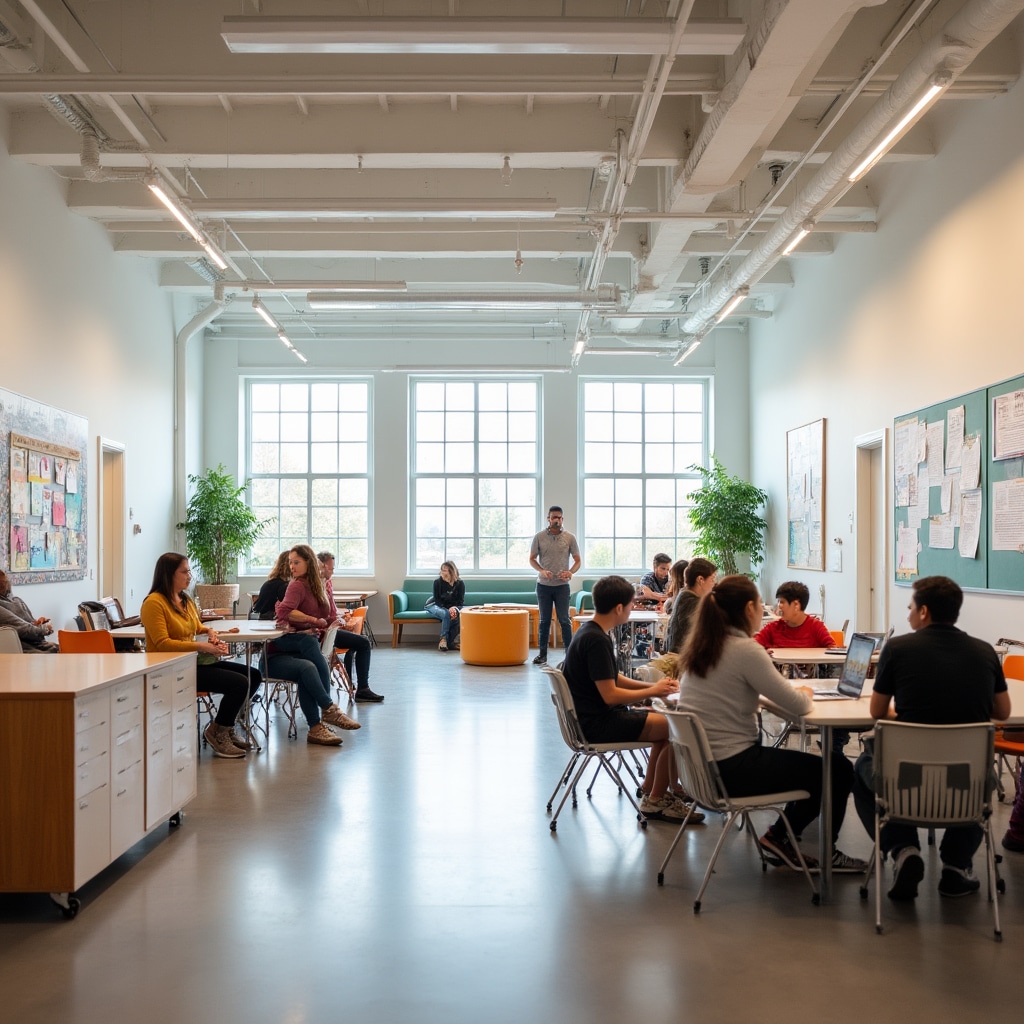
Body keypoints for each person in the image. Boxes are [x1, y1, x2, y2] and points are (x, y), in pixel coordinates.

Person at [677, 574, 865, 872]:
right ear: (750, 608)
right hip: (733, 769)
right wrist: (803, 690)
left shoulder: (703, 647)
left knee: (818, 768)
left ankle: (780, 837)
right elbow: (799, 704)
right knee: (838, 769)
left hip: (704, 769)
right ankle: (818, 850)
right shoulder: (745, 650)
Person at [852, 576, 1010, 900]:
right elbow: (1003, 712)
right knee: (982, 778)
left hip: (906, 776)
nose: (907, 613)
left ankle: (903, 849)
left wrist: (911, 721)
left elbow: (878, 710)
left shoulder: (897, 649)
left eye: (909, 607)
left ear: (923, 611)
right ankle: (955, 865)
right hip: (964, 780)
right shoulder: (984, 651)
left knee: (862, 768)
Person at [562, 575, 703, 824]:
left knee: (665, 725)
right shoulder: (596, 640)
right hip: (597, 724)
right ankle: (656, 800)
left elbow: (612, 678)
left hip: (591, 719)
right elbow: (610, 694)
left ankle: (650, 789)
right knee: (677, 727)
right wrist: (653, 692)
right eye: (630, 605)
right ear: (619, 608)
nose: (632, 609)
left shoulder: (590, 631)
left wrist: (653, 686)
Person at [140, 552, 262, 759]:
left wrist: (210, 633)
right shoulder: (154, 603)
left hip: (193, 663)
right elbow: (162, 644)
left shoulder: (184, 600)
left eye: (189, 571)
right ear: (169, 574)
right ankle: (220, 732)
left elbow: (198, 627)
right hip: (171, 668)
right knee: (239, 683)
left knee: (254, 675)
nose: (190, 575)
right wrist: (203, 647)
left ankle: (220, 727)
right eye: (185, 571)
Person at [272, 544, 357, 745]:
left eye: (296, 562)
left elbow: (326, 615)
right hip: (282, 647)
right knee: (308, 643)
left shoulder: (318, 585)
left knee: (308, 668)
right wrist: (311, 620)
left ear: (309, 562)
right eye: (290, 562)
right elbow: (284, 613)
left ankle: (316, 728)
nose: (291, 566)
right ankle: (329, 709)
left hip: (299, 648)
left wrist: (330, 623)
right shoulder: (296, 585)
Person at [317, 550, 383, 702]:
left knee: (358, 640)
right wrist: (334, 618)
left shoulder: (327, 583)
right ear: (321, 566)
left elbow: (330, 608)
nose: (333, 571)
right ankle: (362, 689)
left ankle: (357, 685)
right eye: (331, 568)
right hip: (324, 633)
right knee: (363, 643)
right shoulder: (315, 585)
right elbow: (322, 612)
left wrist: (338, 616)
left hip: (331, 629)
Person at [529, 506, 581, 666]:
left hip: (562, 587)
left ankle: (569, 655)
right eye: (553, 517)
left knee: (564, 620)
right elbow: (532, 559)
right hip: (544, 586)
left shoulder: (569, 538)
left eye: (559, 517)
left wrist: (571, 572)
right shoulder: (539, 537)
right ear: (548, 519)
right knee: (544, 620)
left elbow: (578, 560)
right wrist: (541, 571)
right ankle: (542, 655)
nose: (556, 520)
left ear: (562, 519)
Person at [755, 581, 835, 650]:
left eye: (782, 602)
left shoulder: (816, 627)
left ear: (796, 605)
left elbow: (833, 650)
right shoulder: (773, 628)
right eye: (779, 602)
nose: (779, 606)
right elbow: (753, 647)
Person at [663, 557, 717, 655]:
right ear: (700, 579)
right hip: (683, 661)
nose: (714, 584)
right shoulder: (692, 603)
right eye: (712, 579)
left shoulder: (685, 596)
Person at [0, 568, 58, 652]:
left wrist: (38, 623)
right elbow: (25, 629)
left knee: (70, 649)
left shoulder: (17, 600)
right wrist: (45, 628)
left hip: (40, 645)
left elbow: (30, 625)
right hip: (26, 650)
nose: (5, 584)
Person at [425, 560, 465, 652]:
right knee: (446, 613)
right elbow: (438, 600)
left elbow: (460, 601)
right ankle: (443, 640)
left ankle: (450, 643)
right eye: (442, 570)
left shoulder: (460, 583)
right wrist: (449, 608)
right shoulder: (437, 582)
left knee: (461, 613)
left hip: (452, 606)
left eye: (445, 570)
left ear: (452, 571)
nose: (442, 573)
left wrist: (454, 608)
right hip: (434, 605)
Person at [251, 550, 290, 619]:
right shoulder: (283, 586)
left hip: (258, 618)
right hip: (268, 620)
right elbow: (287, 609)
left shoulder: (270, 582)